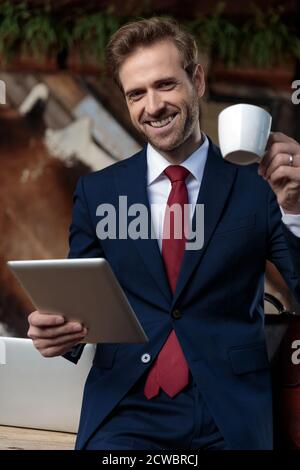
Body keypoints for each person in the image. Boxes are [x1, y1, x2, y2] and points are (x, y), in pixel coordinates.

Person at [27, 17, 300, 450]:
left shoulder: (258, 190)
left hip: (228, 415)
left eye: (165, 85)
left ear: (197, 80)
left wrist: (294, 210)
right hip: (126, 411)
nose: (152, 106)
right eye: (137, 93)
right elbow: (77, 312)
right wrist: (56, 333)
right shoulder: (97, 193)